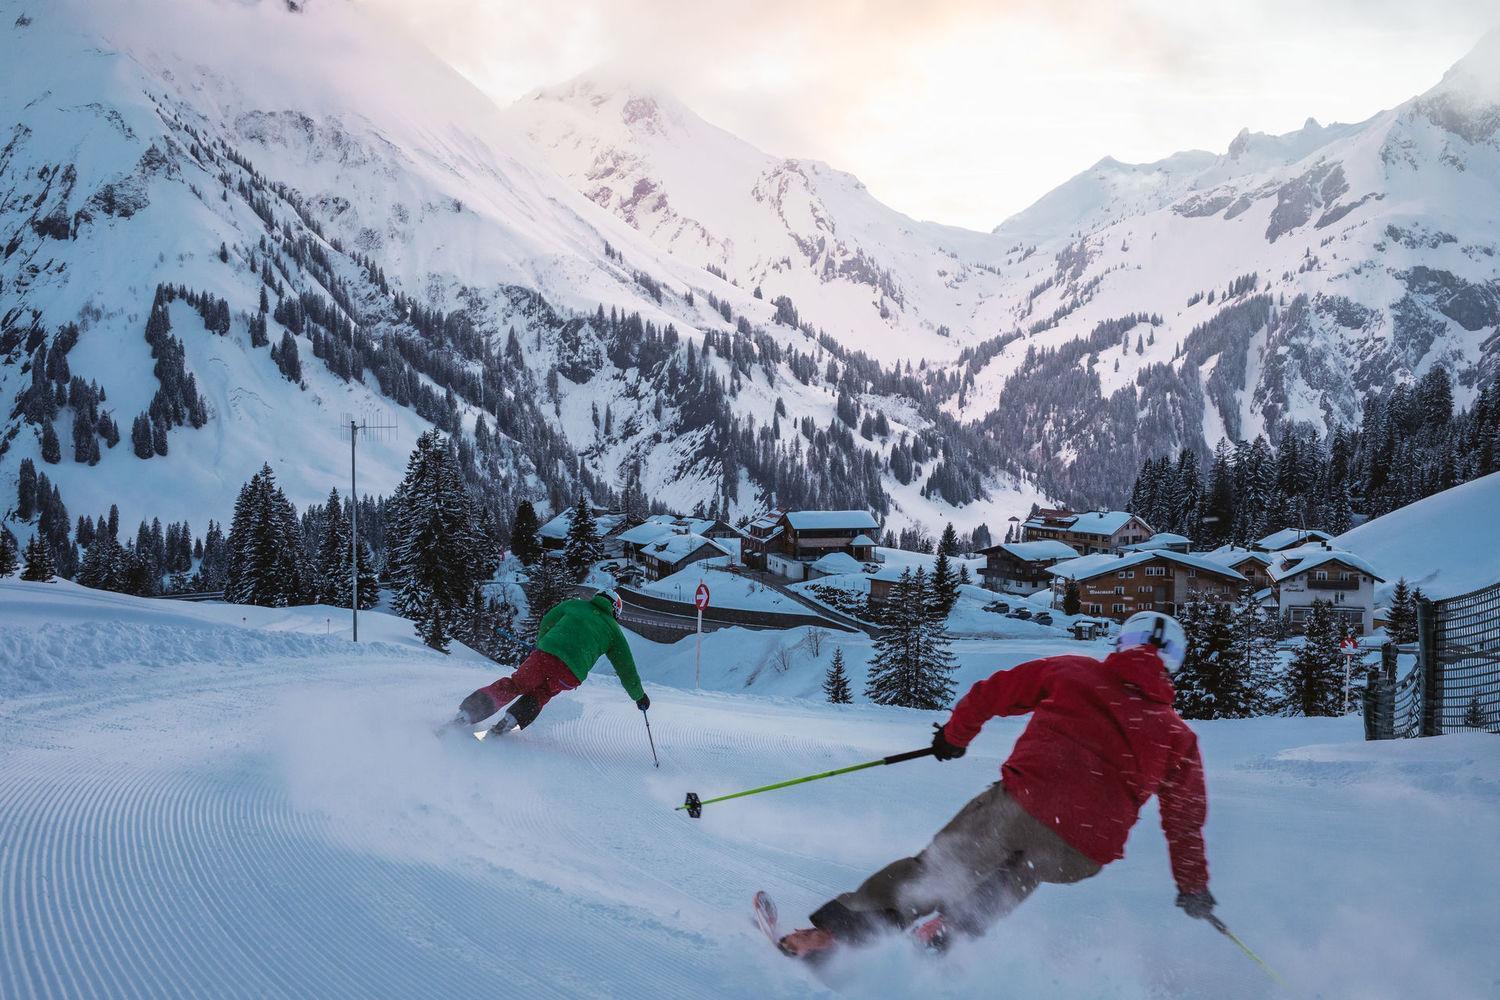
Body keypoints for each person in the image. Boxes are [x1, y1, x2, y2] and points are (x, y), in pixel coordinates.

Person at [778, 611, 1215, 959]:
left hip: (1024, 805)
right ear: (1172, 666)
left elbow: (992, 693)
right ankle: (944, 936)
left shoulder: (1073, 672)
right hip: (1084, 852)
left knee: (939, 870)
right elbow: (1185, 823)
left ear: (1124, 644)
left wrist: (953, 737)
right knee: (1021, 871)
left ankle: (837, 936)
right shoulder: (1178, 735)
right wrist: (1193, 887)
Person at [453, 589, 649, 735]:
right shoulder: (614, 631)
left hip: (545, 657)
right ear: (615, 610)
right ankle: (511, 721)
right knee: (541, 694)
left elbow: (548, 619)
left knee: (515, 684)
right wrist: (639, 696)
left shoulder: (574, 604)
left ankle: (469, 713)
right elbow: (626, 669)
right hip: (570, 675)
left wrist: (542, 644)